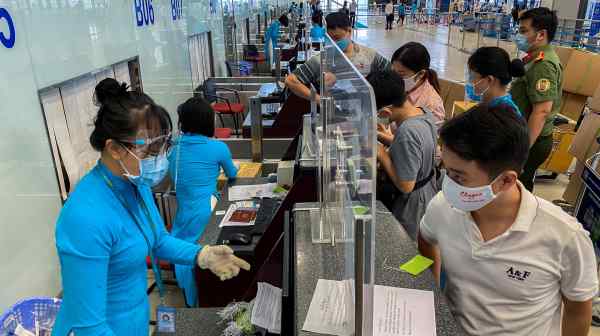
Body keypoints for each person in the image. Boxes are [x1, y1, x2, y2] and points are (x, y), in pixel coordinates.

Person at [52, 88, 250, 336]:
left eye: (161, 146)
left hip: (134, 322)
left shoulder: (135, 184)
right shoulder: (84, 217)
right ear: (114, 148)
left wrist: (202, 255)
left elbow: (158, 240)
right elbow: (88, 325)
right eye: (149, 150)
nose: (157, 159)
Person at [418, 103, 597, 336]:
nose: (447, 183)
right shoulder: (443, 206)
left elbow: (577, 308)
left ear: (505, 181)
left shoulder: (565, 236)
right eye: (447, 170)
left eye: (459, 177)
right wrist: (431, 291)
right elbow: (426, 239)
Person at [168, 97, 238, 307]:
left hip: (184, 212)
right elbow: (233, 174)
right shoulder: (218, 148)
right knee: (208, 254)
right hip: (207, 209)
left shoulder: (174, 150)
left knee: (187, 250)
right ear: (208, 121)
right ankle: (207, 297)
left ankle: (192, 298)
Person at [368, 71, 438, 240]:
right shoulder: (422, 112)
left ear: (385, 112)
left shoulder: (408, 131)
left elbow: (406, 185)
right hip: (429, 190)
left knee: (407, 247)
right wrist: (380, 136)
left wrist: (381, 154)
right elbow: (414, 150)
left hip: (413, 205)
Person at [509, 7, 562, 192]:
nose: (519, 35)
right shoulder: (532, 58)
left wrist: (523, 150)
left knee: (517, 188)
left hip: (532, 139)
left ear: (541, 35)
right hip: (523, 133)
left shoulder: (543, 64)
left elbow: (541, 111)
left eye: (524, 31)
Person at [285, 12, 389, 101]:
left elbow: (393, 75)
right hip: (333, 117)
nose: (334, 43)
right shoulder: (320, 60)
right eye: (330, 39)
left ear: (349, 31)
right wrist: (318, 99)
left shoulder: (369, 55)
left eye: (337, 38)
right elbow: (290, 81)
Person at [378, 42, 444, 146]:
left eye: (400, 74)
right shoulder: (401, 89)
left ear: (421, 74)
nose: (394, 78)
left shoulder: (432, 104)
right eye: (393, 72)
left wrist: (384, 137)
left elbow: (424, 146)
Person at [466, 46, 525, 117]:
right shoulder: (490, 101)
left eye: (472, 77)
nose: (470, 81)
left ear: (489, 80)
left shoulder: (504, 114)